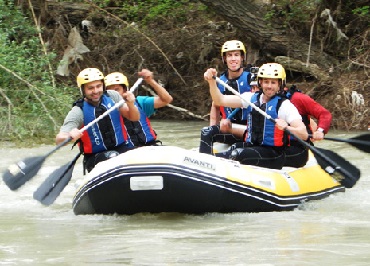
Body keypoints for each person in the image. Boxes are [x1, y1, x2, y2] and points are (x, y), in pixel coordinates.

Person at [203, 63, 308, 169]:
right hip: (253, 146)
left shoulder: (285, 106)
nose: (269, 86)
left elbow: (303, 134)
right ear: (260, 82)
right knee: (232, 146)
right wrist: (211, 82)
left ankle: (208, 162)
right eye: (266, 82)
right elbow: (220, 100)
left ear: (279, 84)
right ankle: (204, 164)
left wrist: (286, 127)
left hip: (273, 153)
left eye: (273, 82)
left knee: (237, 154)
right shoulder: (250, 98)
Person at [56, 67, 140, 173]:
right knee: (113, 157)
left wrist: (131, 104)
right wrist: (69, 136)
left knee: (139, 156)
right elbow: (59, 139)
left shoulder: (113, 96)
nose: (95, 91)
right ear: (83, 90)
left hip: (122, 148)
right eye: (90, 88)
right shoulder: (78, 111)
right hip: (95, 157)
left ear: (103, 86)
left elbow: (134, 117)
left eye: (98, 86)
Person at [199, 40, 251, 154]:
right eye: (229, 55)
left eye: (236, 55)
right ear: (224, 59)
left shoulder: (251, 78)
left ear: (242, 58)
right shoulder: (220, 80)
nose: (233, 59)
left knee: (236, 146)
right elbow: (215, 104)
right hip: (228, 126)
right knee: (206, 132)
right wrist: (213, 129)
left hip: (249, 129)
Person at [104, 69, 173, 146]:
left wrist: (151, 81)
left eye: (117, 89)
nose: (114, 94)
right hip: (126, 151)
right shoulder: (104, 111)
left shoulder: (140, 102)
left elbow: (167, 99)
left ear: (125, 89)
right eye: (110, 91)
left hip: (150, 146)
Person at [281, 84, 332, 167]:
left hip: (298, 146)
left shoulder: (299, 98)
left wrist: (320, 131)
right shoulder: (262, 99)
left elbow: (324, 114)